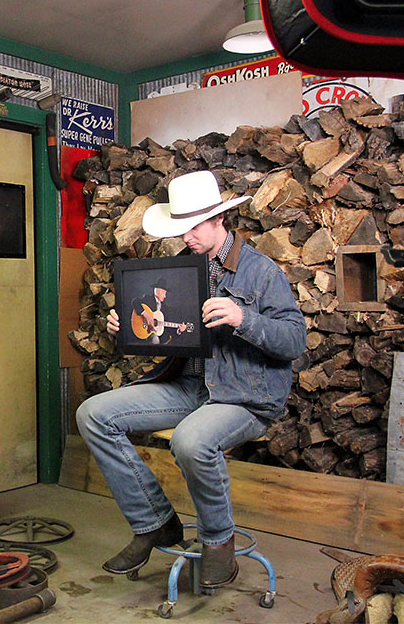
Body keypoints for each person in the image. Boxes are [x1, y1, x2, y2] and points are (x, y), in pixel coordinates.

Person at [76, 170, 306, 587]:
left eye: (194, 227)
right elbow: (163, 327)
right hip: (188, 387)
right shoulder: (181, 268)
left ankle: (219, 542)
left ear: (220, 219)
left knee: (190, 441)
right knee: (93, 414)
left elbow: (294, 341)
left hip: (241, 397)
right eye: (181, 228)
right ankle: (154, 522)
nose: (186, 237)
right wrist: (126, 327)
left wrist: (243, 318)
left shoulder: (261, 272)